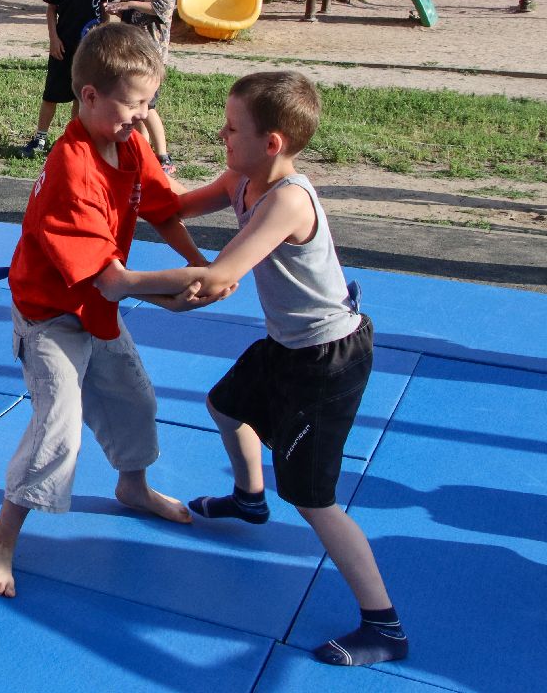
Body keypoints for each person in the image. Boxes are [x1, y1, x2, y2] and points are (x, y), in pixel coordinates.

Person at [97, 70, 407, 669]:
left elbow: (218, 279)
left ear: (274, 143)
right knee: (226, 404)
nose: (221, 135)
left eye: (233, 128)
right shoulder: (241, 177)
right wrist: (120, 183)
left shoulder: (287, 200)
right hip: (287, 344)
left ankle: (384, 625)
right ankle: (247, 499)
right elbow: (174, 204)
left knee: (314, 499)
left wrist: (120, 283)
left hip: (326, 359)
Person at [0, 23, 204, 599]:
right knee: (59, 425)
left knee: (135, 398)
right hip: (50, 314)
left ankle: (133, 485)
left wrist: (201, 261)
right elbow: (113, 278)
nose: (141, 117)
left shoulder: (127, 144)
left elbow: (163, 207)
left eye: (149, 105)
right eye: (133, 106)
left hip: (96, 305)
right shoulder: (72, 167)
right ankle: (0, 537)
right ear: (90, 97)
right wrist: (181, 289)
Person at [18, 0, 116, 159]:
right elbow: (51, 10)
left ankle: (73, 140)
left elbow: (107, 11)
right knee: (51, 94)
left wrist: (103, 38)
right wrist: (53, 39)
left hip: (89, 52)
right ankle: (40, 138)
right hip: (63, 47)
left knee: (81, 97)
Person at [106, 0, 177, 172]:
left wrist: (130, 3)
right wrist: (116, 8)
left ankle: (164, 156)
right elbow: (126, 10)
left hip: (152, 58)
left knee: (149, 108)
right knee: (137, 108)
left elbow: (161, 9)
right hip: (133, 57)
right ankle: (143, 152)